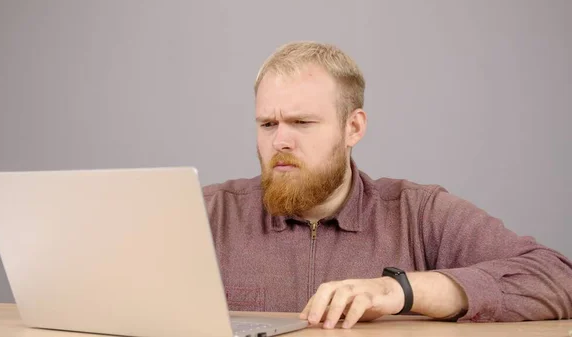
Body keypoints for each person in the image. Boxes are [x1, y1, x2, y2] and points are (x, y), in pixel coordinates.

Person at [202, 41, 572, 330]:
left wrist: (401, 290)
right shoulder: (205, 214)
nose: (280, 141)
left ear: (354, 128)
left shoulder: (418, 213)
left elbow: (558, 277)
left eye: (301, 122)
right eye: (267, 124)